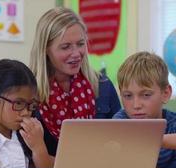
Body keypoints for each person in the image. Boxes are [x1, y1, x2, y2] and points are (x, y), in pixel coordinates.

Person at [30, 7, 121, 156]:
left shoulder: (102, 85)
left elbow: (121, 139)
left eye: (80, 44)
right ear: (45, 49)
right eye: (65, 47)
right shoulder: (29, 93)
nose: (76, 53)